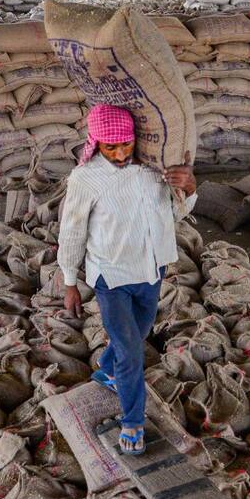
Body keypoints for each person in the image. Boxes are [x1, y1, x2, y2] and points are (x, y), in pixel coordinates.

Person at [58, 104, 197, 456]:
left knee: (140, 332)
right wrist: (70, 281)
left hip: (151, 271)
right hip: (112, 276)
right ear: (96, 143)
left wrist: (190, 187)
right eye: (110, 147)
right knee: (133, 352)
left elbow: (176, 212)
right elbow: (72, 232)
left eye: (125, 145)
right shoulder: (85, 178)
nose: (119, 154)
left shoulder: (152, 171)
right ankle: (133, 421)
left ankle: (105, 371)